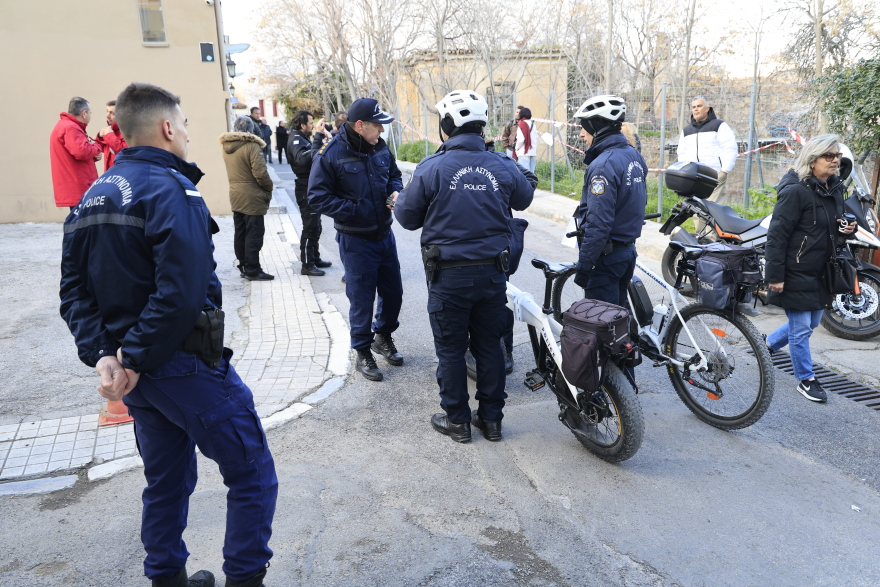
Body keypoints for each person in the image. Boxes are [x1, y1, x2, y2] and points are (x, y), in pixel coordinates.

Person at [60, 82, 277, 587]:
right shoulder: (172, 190)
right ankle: (245, 577)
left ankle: (166, 577)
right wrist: (129, 358)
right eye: (183, 124)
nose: (186, 133)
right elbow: (181, 293)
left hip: (137, 375)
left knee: (166, 481)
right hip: (180, 363)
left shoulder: (93, 194)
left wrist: (107, 356)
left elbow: (73, 291)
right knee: (251, 470)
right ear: (165, 127)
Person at [395, 89, 534, 443]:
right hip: (492, 274)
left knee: (451, 350)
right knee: (489, 346)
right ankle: (491, 421)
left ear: (446, 125)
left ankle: (457, 421)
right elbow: (524, 197)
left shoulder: (432, 167)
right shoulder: (500, 163)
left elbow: (407, 217)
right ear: (481, 125)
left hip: (449, 276)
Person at [308, 98, 404, 381]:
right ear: (360, 125)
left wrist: (395, 190)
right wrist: (355, 211)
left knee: (393, 293)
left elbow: (394, 174)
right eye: (377, 125)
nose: (382, 131)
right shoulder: (330, 154)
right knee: (362, 298)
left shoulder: (380, 146)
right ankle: (362, 351)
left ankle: (382, 337)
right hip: (356, 240)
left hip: (384, 235)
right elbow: (317, 197)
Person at [765, 135, 856, 403]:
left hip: (822, 269)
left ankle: (766, 344)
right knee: (802, 327)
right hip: (795, 269)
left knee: (812, 322)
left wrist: (848, 229)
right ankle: (806, 379)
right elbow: (777, 236)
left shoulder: (834, 188)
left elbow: (835, 225)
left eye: (837, 155)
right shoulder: (795, 191)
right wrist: (775, 276)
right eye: (829, 156)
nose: (835, 160)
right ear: (812, 160)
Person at [572, 95, 648, 308]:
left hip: (607, 258)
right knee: (619, 315)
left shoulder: (603, 166)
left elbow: (598, 222)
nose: (581, 133)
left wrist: (584, 266)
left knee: (602, 321)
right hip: (626, 253)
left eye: (584, 127)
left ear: (596, 128)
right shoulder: (633, 155)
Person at [220, 116, 275, 281]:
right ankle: (253, 269)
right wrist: (269, 187)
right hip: (252, 197)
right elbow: (260, 173)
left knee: (240, 232)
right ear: (251, 129)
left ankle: (243, 266)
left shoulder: (227, 146)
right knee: (254, 233)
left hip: (235, 194)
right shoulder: (252, 146)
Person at [677, 96, 738, 231]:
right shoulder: (687, 130)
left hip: (715, 176)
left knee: (712, 210)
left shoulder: (719, 126)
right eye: (693, 107)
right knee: (698, 210)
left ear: (707, 109)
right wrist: (685, 171)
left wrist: (724, 171)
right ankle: (701, 238)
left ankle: (712, 240)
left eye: (699, 106)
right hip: (695, 178)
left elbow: (730, 149)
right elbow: (682, 153)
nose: (696, 109)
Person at [287, 109, 332, 276]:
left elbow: (315, 154)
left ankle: (315, 257)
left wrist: (321, 140)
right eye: (311, 123)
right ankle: (307, 264)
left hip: (311, 186)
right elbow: (302, 160)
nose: (313, 126)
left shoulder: (303, 137)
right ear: (302, 125)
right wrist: (318, 138)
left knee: (316, 225)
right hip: (304, 187)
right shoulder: (295, 139)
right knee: (310, 226)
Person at [49, 96, 103, 209]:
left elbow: (74, 152)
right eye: (90, 113)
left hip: (73, 184)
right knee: (82, 218)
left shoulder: (64, 125)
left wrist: (92, 155)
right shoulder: (71, 128)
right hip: (78, 185)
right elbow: (82, 152)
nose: (90, 116)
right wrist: (98, 146)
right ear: (84, 113)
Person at [95, 99, 128, 171]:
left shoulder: (127, 131)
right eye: (107, 111)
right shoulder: (109, 129)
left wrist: (109, 135)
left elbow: (123, 151)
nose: (107, 116)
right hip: (109, 173)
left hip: (121, 174)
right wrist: (99, 137)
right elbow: (101, 148)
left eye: (111, 113)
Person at [513, 107, 539, 172]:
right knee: (531, 174)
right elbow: (536, 138)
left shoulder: (521, 124)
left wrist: (516, 148)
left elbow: (521, 139)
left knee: (525, 174)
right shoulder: (533, 124)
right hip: (532, 152)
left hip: (523, 152)